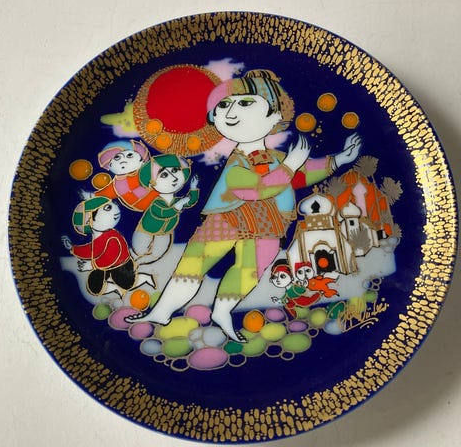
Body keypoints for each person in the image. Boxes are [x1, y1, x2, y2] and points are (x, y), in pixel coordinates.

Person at [125, 69, 361, 341]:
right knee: (193, 264)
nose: (230, 111)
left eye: (245, 102)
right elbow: (252, 188)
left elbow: (303, 174)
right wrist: (290, 165)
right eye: (223, 105)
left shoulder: (277, 158)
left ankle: (222, 312)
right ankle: (161, 312)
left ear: (276, 115)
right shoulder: (240, 161)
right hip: (227, 217)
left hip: (268, 225)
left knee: (249, 272)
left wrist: (339, 160)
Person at [61, 197, 137, 298]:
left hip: (121, 266)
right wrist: (72, 248)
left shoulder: (112, 236)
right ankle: (115, 289)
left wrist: (92, 265)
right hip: (104, 266)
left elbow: (111, 257)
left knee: (125, 282)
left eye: (113, 205)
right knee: (94, 286)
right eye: (108, 208)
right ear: (88, 220)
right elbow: (91, 250)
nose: (116, 209)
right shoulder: (98, 239)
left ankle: (145, 279)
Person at [132, 154, 199, 263]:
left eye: (175, 170)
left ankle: (142, 263)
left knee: (158, 253)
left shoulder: (176, 201)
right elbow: (164, 213)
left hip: (165, 232)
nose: (174, 178)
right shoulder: (157, 202)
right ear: (152, 184)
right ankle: (137, 260)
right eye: (164, 175)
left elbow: (190, 201)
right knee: (139, 250)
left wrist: (193, 188)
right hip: (146, 230)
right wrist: (180, 203)